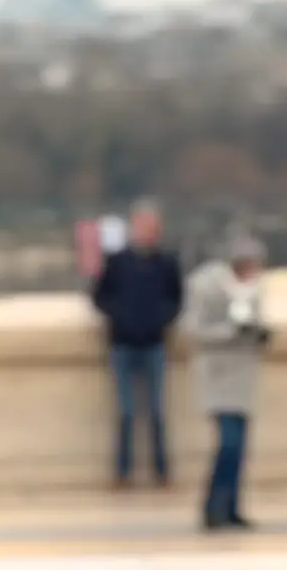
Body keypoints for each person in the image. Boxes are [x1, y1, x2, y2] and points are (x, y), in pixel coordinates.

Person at [90, 198, 182, 488]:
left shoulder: (167, 262)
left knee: (156, 411)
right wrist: (118, 316)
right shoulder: (117, 262)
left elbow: (178, 299)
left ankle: (161, 470)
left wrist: (161, 318)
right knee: (127, 412)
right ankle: (123, 471)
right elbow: (99, 296)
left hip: (154, 342)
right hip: (123, 343)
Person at [183, 233, 271, 530]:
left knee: (239, 447)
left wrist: (257, 333)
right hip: (217, 376)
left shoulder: (252, 290)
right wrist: (231, 331)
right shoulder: (205, 285)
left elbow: (253, 324)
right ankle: (213, 508)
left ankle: (231, 507)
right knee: (228, 444)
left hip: (243, 377)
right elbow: (194, 329)